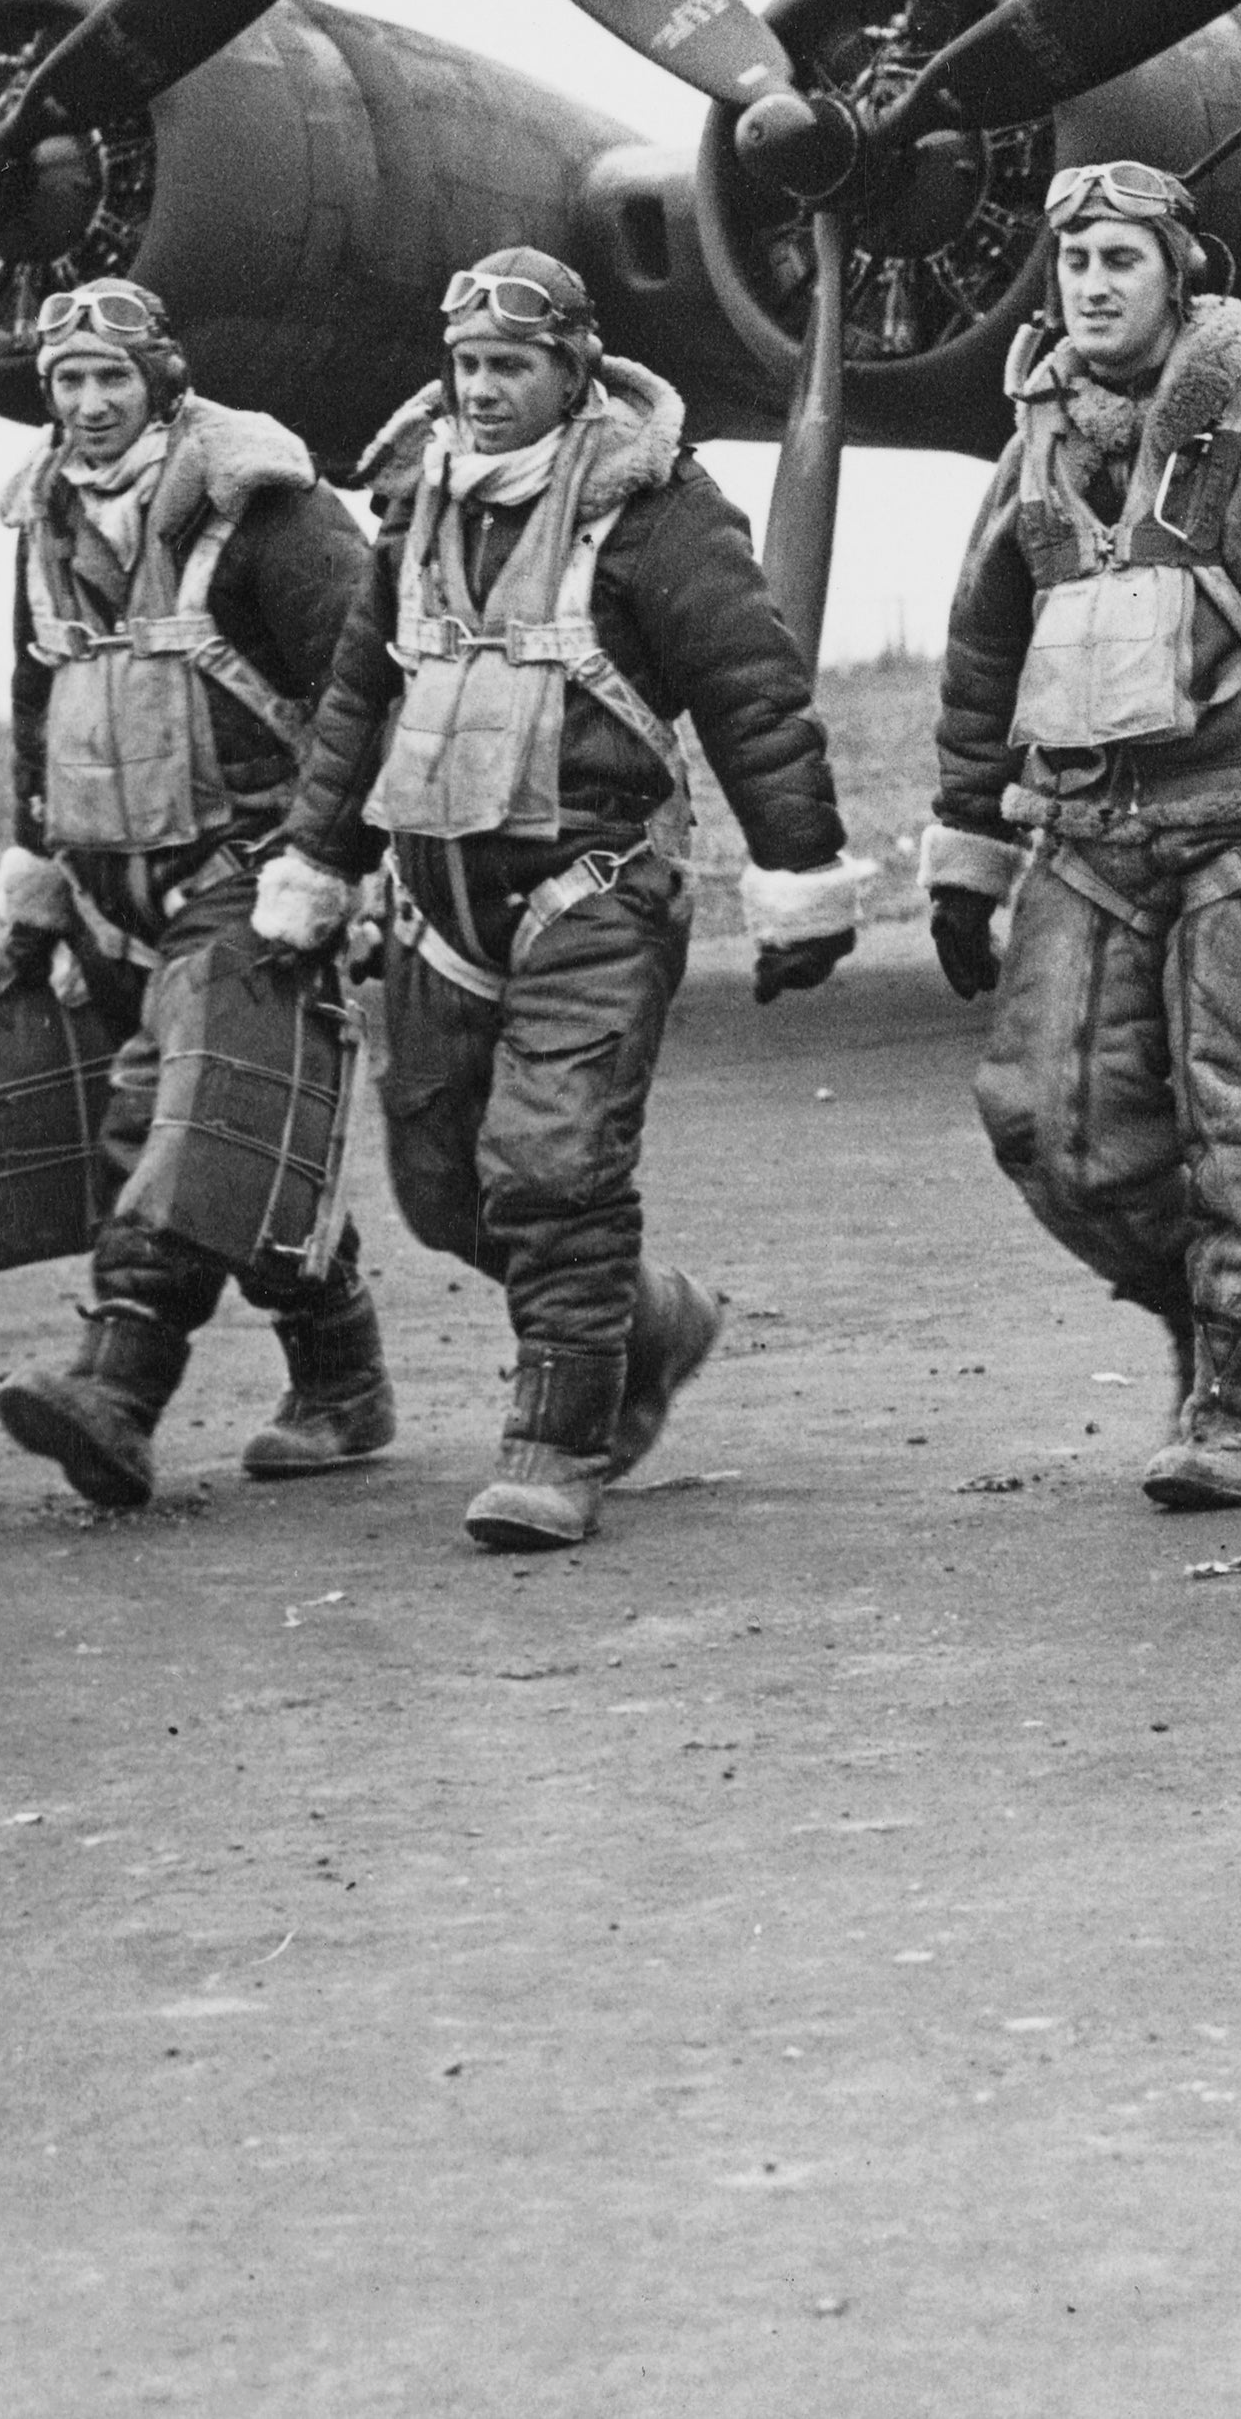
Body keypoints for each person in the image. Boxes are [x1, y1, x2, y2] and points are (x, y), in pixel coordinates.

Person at [261, 247, 872, 1553]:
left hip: (590, 888)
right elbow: (360, 696)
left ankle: (557, 1436)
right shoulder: (413, 500)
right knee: (441, 1189)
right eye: (467, 365)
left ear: (574, 365)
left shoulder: (660, 509)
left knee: (549, 1169)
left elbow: (751, 693)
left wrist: (798, 875)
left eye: (511, 367)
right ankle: (644, 1323)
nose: (481, 391)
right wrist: (316, 861)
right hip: (435, 898)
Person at [919, 162, 1241, 1508]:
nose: (1090, 285)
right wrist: (964, 843)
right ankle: (1202, 1318)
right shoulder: (1033, 449)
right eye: (1072, 260)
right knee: (1048, 1124)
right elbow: (985, 654)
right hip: (1082, 831)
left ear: (1181, 276)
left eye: (1120, 261)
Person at [0, 280, 389, 1506]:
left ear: (162, 379)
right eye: (68, 382)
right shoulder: (44, 516)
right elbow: (38, 694)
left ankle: (118, 1384)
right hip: (108, 882)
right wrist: (35, 864)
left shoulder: (271, 507)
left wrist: (328, 866)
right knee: (237, 1135)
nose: (91, 403)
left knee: (187, 1123)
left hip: (248, 874)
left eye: (113, 377)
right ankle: (342, 1381)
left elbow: (365, 691)